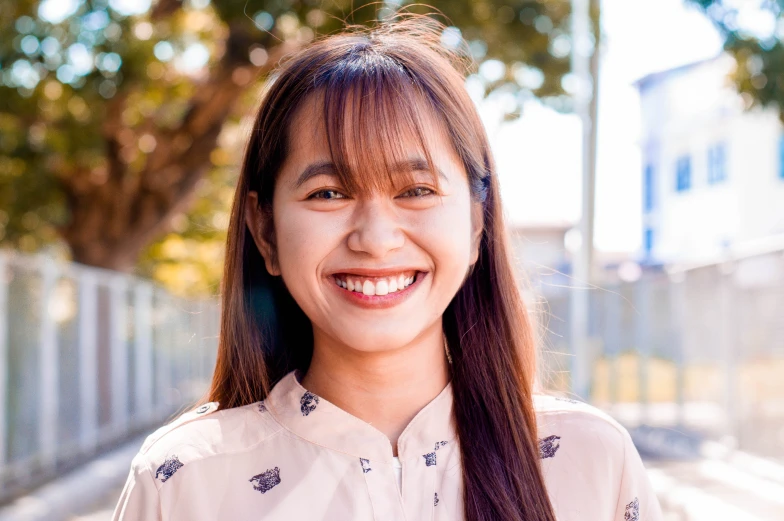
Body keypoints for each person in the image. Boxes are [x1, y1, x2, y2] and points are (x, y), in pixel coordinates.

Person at [112, 16, 663, 521]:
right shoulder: (184, 481)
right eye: (327, 192)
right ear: (266, 231)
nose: (376, 239)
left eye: (417, 190)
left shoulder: (592, 460)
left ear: (476, 225)